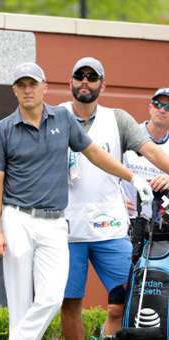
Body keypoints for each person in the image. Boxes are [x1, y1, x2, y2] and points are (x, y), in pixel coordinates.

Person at [0, 62, 153, 340]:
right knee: (20, 302)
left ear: (44, 88)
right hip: (16, 218)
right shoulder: (2, 130)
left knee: (51, 298)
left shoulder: (63, 119)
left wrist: (132, 178)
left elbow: (95, 153)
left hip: (55, 222)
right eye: (22, 85)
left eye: (33, 84)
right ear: (15, 90)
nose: (28, 90)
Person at [59, 58, 169, 339]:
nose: (85, 81)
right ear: (70, 81)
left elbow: (154, 153)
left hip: (110, 227)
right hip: (66, 228)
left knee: (126, 296)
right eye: (79, 76)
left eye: (92, 77)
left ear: (102, 84)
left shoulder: (118, 118)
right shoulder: (54, 116)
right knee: (70, 303)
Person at [122, 87, 169, 220]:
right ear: (150, 108)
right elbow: (106, 172)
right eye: (157, 104)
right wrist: (116, 199)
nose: (161, 110)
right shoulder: (128, 134)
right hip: (125, 222)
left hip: (161, 227)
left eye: (168, 107)